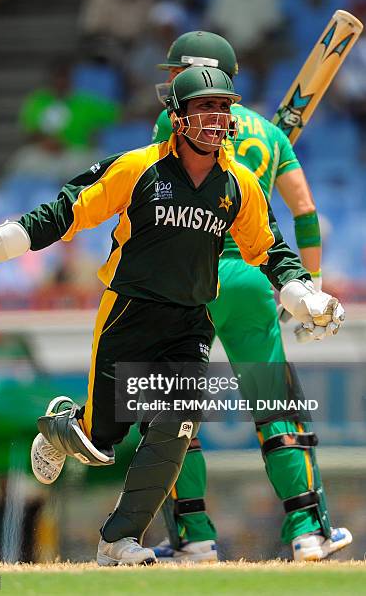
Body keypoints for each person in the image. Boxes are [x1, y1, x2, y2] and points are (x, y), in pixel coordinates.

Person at [0, 67, 346, 566]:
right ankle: (61, 428)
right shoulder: (138, 169)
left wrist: (301, 293)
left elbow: (269, 249)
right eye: (205, 107)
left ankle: (118, 539)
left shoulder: (239, 184)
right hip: (130, 312)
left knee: (177, 424)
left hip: (190, 320)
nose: (217, 118)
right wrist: (5, 241)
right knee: (102, 437)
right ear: (177, 118)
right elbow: (70, 209)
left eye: (223, 107)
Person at [151, 31, 352, 563]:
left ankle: (194, 539)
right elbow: (305, 213)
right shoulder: (271, 137)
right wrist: (308, 287)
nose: (171, 83)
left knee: (172, 411)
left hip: (187, 280)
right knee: (275, 407)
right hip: (251, 278)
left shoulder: (175, 120)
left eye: (178, 73)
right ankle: (310, 531)